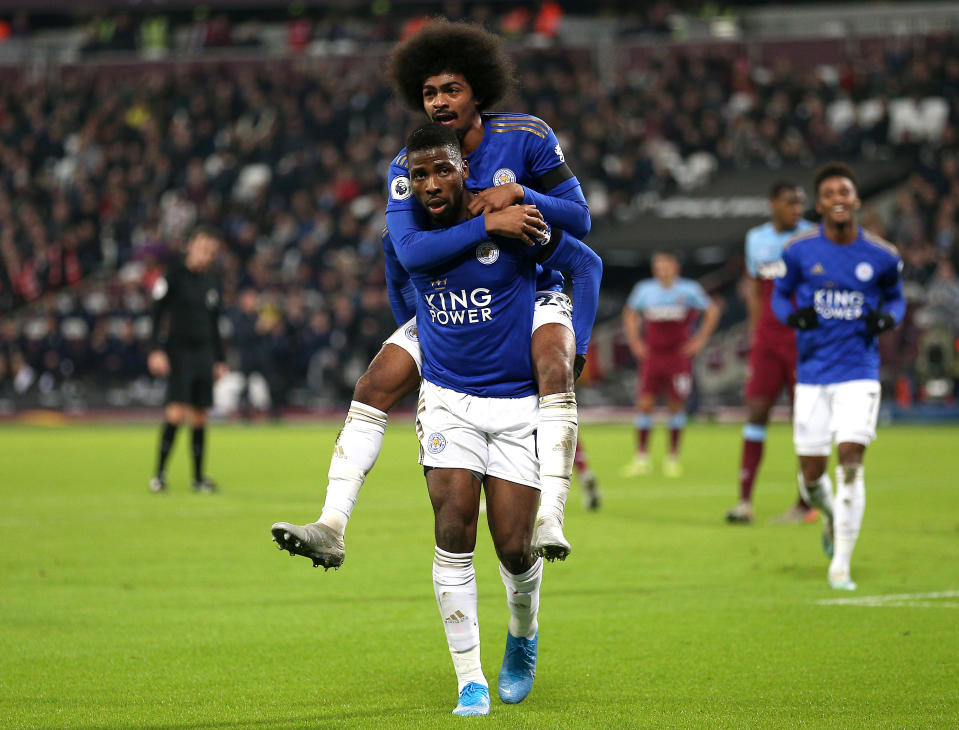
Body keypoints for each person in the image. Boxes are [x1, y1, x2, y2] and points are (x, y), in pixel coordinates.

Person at [271, 19, 596, 568]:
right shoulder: (408, 165)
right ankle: (331, 524)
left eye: (452, 89)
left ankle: (552, 516)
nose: (440, 101)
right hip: (450, 306)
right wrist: (486, 230)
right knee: (374, 383)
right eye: (429, 92)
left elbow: (582, 226)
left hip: (526, 293)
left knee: (553, 370)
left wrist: (518, 190)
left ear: (478, 91)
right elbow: (408, 256)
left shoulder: (528, 137)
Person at [772, 162, 904, 591]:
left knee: (850, 463)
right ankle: (829, 517)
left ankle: (841, 566)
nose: (839, 200)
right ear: (820, 203)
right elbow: (779, 296)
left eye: (845, 192)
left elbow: (896, 300)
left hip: (859, 373)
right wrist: (795, 317)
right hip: (812, 375)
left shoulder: (883, 255)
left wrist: (888, 320)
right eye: (830, 194)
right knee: (811, 478)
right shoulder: (799, 250)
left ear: (856, 200)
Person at [726, 182, 816, 525]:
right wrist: (754, 334)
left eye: (801, 202)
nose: (797, 208)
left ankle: (805, 502)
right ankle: (744, 502)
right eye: (790, 202)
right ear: (773, 204)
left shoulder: (812, 237)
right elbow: (755, 291)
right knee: (757, 412)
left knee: (805, 422)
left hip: (803, 341)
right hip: (767, 340)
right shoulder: (756, 239)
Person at [621, 251, 720, 477]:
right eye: (658, 266)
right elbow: (629, 314)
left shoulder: (689, 290)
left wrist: (700, 340)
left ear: (675, 267)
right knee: (645, 404)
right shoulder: (645, 290)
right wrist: (635, 342)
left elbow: (712, 310)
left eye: (666, 265)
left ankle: (672, 457)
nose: (662, 269)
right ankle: (641, 457)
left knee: (676, 405)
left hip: (678, 357)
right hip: (653, 356)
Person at [147, 226, 227, 493]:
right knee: (176, 412)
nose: (207, 256)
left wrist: (220, 359)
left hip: (204, 353)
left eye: (211, 252)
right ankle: (158, 475)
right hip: (179, 352)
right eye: (203, 249)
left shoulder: (213, 281)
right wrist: (155, 350)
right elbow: (156, 315)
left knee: (200, 415)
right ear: (190, 247)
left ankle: (198, 478)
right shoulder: (173, 277)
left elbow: (215, 324)